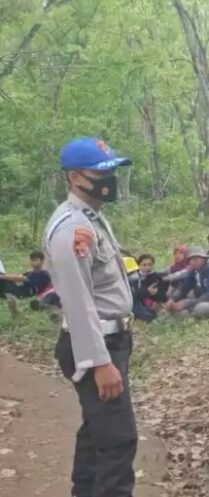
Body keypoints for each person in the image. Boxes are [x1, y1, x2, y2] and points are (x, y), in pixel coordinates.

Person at [44, 137, 136, 497]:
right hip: (96, 345)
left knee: (97, 435)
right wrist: (99, 362)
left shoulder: (92, 218)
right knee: (117, 443)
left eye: (111, 170)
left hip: (110, 340)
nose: (108, 178)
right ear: (73, 178)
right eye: (99, 172)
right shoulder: (72, 229)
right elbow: (79, 301)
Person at [164, 247, 209, 319]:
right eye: (191, 259)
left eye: (197, 259)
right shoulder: (195, 270)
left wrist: (186, 303)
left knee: (201, 308)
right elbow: (184, 287)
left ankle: (188, 315)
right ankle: (184, 312)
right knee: (186, 296)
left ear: (204, 259)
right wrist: (172, 299)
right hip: (206, 300)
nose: (194, 262)